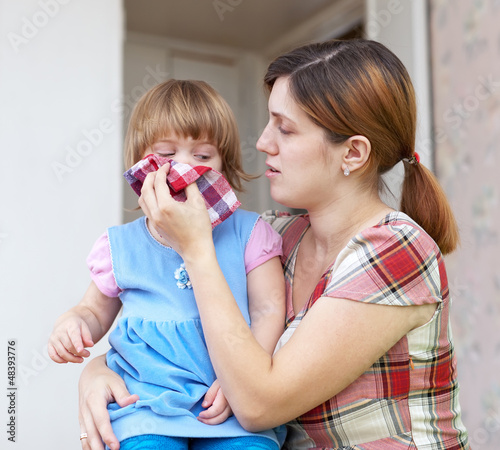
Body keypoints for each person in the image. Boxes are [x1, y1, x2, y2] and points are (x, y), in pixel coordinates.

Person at [77, 39, 471, 449]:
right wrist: (99, 371)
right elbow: (182, 329)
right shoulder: (274, 236)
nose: (263, 142)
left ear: (352, 153)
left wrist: (196, 249)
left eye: (285, 128)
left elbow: (257, 404)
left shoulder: (396, 249)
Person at [48, 79, 286, 450]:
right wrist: (73, 325)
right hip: (144, 407)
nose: (185, 168)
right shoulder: (122, 245)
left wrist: (248, 373)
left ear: (224, 164)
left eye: (203, 156)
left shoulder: (250, 233)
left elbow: (270, 309)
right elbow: (93, 311)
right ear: (140, 165)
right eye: (166, 154)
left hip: (229, 408)